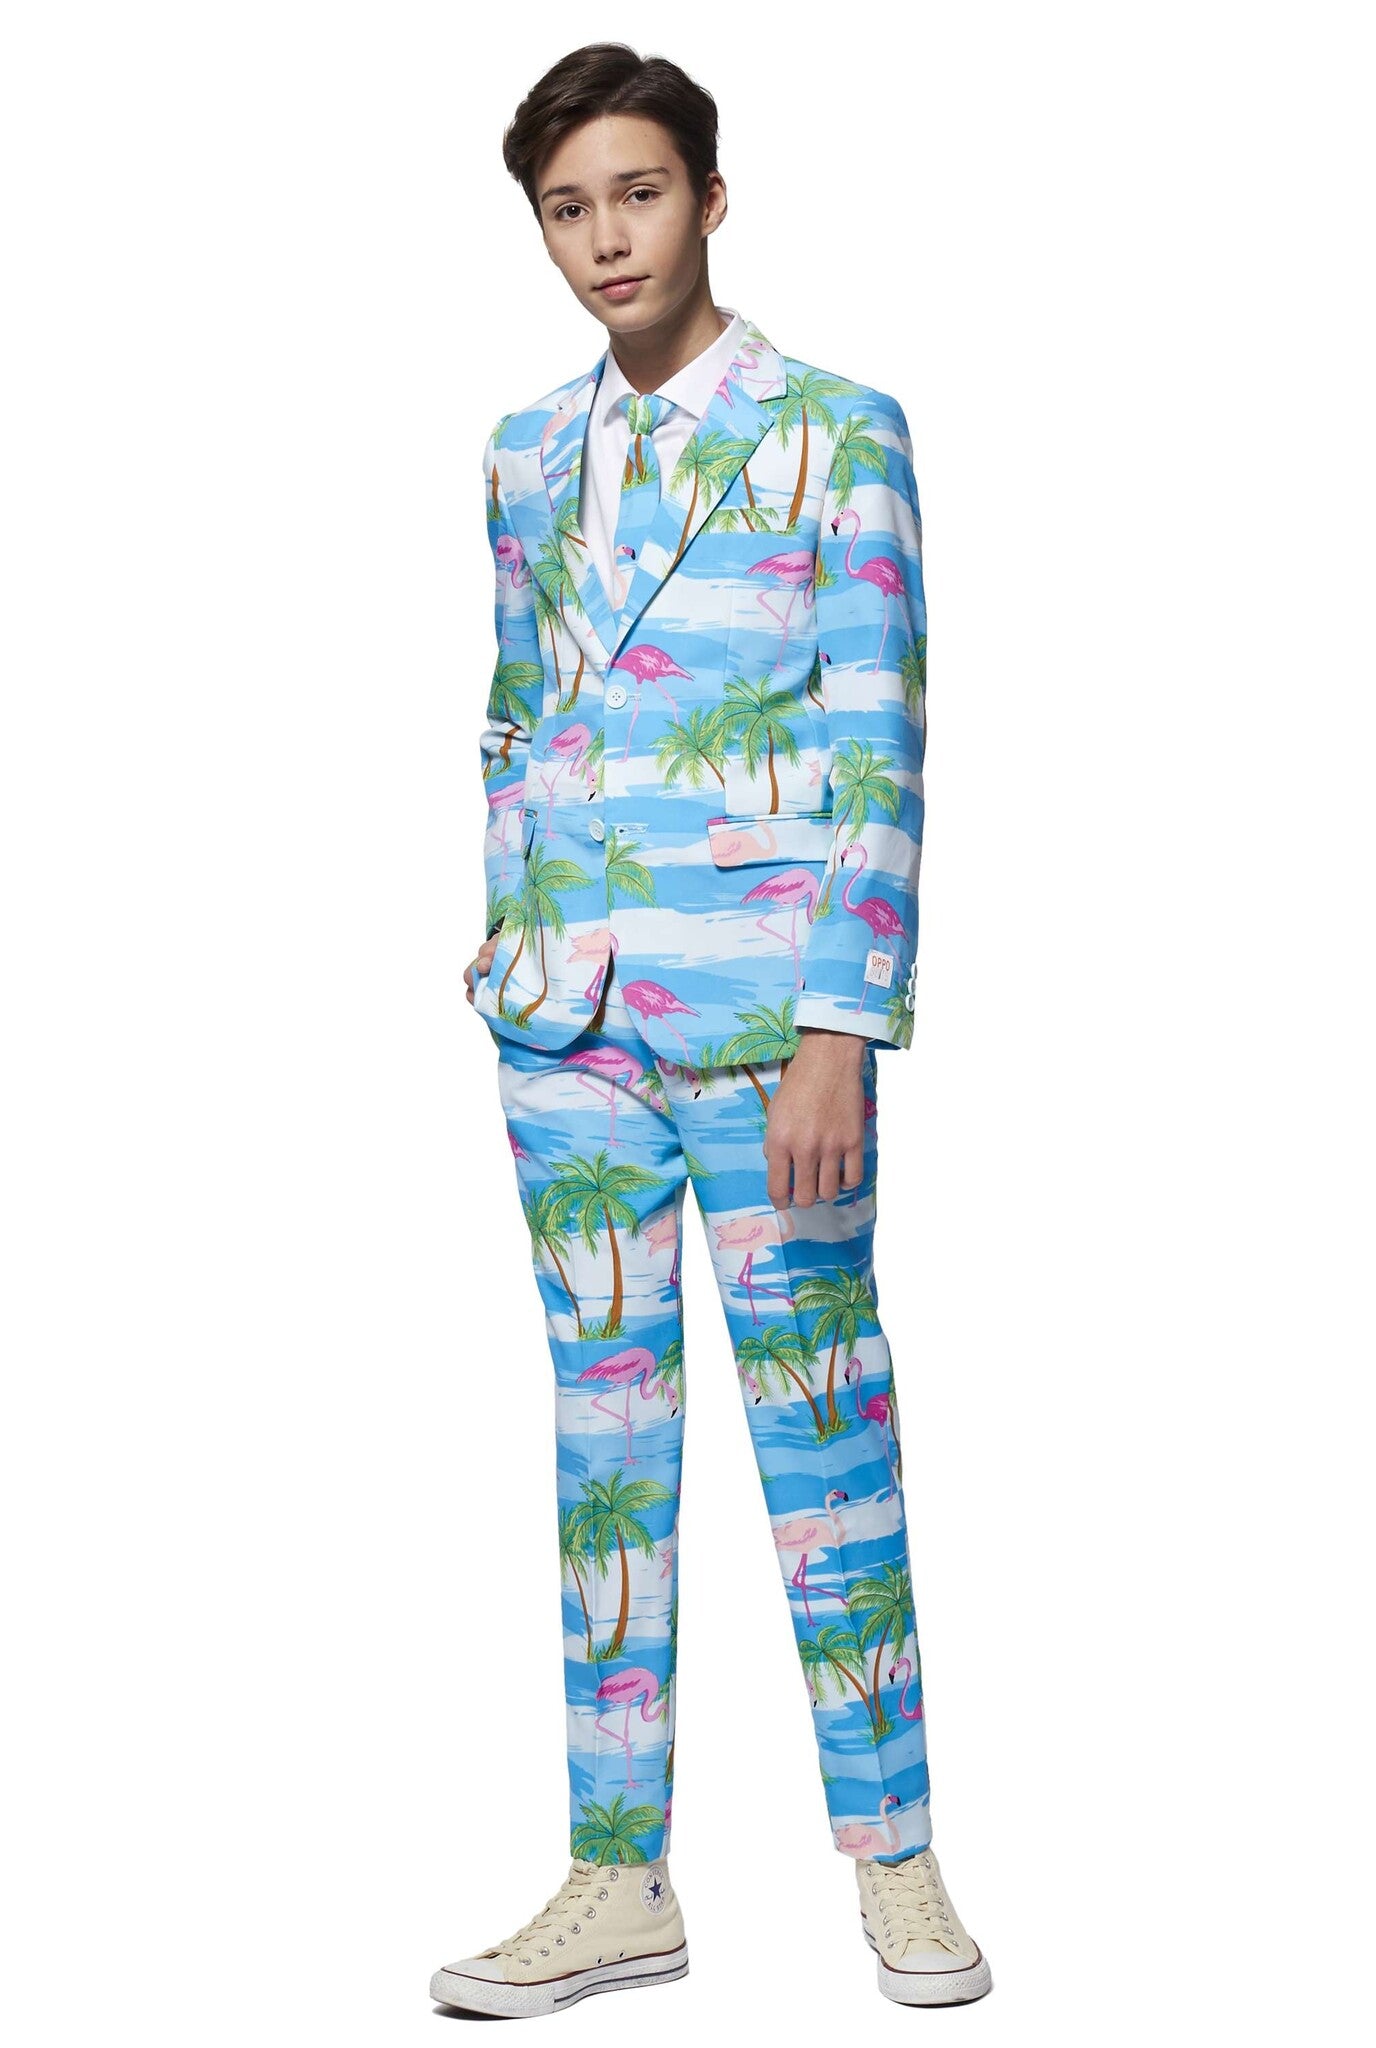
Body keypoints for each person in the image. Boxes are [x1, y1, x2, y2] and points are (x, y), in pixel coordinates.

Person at [432, 40, 991, 2018]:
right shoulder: (519, 452)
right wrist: (512, 920)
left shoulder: (835, 431)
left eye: (640, 192)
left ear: (711, 198)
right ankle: (618, 1879)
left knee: (826, 1437)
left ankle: (897, 1862)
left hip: (770, 1036)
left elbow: (878, 739)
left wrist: (844, 1021)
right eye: (569, 208)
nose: (608, 238)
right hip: (563, 1031)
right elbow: (521, 709)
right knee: (605, 1453)